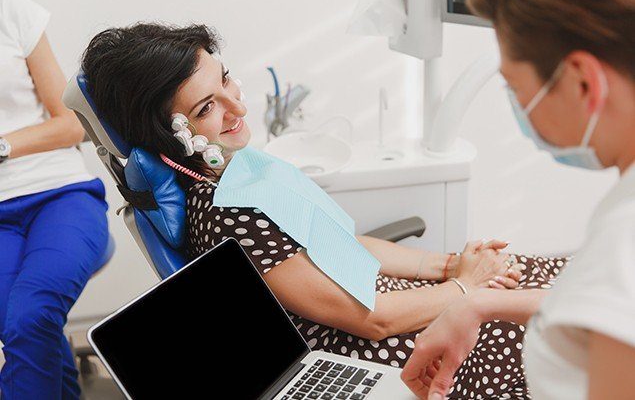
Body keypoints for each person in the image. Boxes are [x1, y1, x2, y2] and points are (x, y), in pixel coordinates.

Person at [80, 23, 569, 398]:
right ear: (169, 134)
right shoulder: (229, 216)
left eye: (226, 80)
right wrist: (464, 288)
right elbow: (372, 321)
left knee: (550, 277)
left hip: (402, 304)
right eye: (208, 107)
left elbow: (340, 239)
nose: (238, 107)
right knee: (569, 323)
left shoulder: (240, 170)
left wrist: (450, 266)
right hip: (382, 347)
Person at [401, 0, 635, 399]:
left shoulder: (622, 240)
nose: (520, 109)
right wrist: (476, 305)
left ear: (583, 81)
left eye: (516, 88)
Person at [0, 0, 109, 398]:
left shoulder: (12, 13)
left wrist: (2, 146)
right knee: (26, 327)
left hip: (59, 195)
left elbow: (71, 126)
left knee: (29, 317)